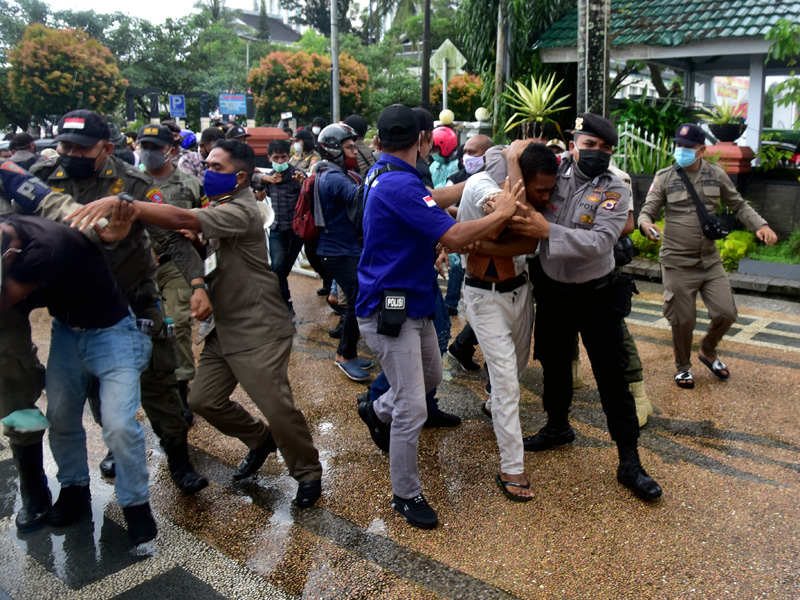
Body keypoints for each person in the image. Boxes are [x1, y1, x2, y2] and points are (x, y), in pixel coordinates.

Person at [68, 139, 324, 508]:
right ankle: (259, 439)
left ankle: (308, 472)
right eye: (207, 165)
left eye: (216, 168)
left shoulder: (243, 209)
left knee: (278, 407)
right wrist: (202, 250)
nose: (208, 173)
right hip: (224, 326)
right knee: (204, 400)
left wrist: (127, 204)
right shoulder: (222, 204)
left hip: (259, 327)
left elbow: (183, 217)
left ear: (239, 176)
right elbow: (215, 254)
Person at [355, 104, 523, 529]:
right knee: (413, 406)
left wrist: (476, 182)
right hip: (388, 307)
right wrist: (502, 212)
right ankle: (405, 493)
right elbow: (452, 233)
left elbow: (434, 201)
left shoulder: (386, 173)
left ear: (378, 143)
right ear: (425, 141)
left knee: (430, 379)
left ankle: (377, 411)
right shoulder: (400, 186)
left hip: (411, 300)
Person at [29, 110, 210, 497]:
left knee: (160, 384)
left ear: (106, 148)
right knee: (97, 389)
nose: (69, 153)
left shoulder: (132, 184)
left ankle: (179, 459)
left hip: (137, 303)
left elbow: (173, 237)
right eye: (64, 145)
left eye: (80, 147)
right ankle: (115, 447)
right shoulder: (45, 182)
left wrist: (197, 283)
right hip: (82, 309)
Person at [507, 114, 662, 502]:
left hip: (597, 295)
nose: (597, 154)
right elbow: (507, 167)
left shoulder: (616, 189)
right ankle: (558, 426)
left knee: (612, 377)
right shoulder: (551, 172)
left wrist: (547, 231)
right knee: (555, 365)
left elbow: (600, 242)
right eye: (590, 145)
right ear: (574, 143)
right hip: (554, 294)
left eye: (605, 149)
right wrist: (514, 155)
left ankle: (630, 460)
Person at [0, 213, 157, 545]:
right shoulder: (18, 231)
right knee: (60, 418)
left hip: (113, 333)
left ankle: (136, 504)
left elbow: (8, 296)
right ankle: (74, 489)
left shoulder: (47, 246)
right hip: (67, 332)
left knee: (118, 424)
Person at [638, 123, 778, 389]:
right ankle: (682, 367)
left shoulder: (716, 175)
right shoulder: (665, 176)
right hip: (677, 262)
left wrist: (760, 225)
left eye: (687, 147)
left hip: (710, 260)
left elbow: (738, 204)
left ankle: (708, 349)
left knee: (727, 312)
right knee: (683, 319)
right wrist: (646, 225)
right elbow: (648, 210)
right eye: (678, 145)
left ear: (701, 150)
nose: (681, 150)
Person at [458, 143, 558, 502]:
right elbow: (514, 216)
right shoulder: (482, 186)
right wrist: (515, 161)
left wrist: (483, 245)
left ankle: (493, 404)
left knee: (515, 370)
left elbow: (532, 242)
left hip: (520, 292)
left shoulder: (528, 191)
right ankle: (511, 468)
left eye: (550, 190)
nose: (547, 198)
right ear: (516, 177)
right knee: (507, 385)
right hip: (484, 297)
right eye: (541, 190)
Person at [138, 124, 204, 426]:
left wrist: (195, 234)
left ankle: (180, 388)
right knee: (145, 329)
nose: (148, 152)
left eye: (155, 146)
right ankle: (154, 387)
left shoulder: (190, 184)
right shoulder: (132, 184)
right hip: (140, 268)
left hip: (177, 264)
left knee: (177, 324)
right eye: (144, 146)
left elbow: (205, 220)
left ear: (172, 150)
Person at [315, 123, 372, 382]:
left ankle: (349, 351)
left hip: (345, 249)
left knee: (358, 297)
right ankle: (345, 355)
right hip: (336, 251)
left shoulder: (337, 172)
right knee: (357, 298)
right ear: (334, 150)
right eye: (350, 148)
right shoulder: (332, 177)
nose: (354, 152)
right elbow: (361, 198)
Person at [257, 139, 304, 313]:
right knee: (277, 266)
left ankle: (276, 299)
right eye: (275, 157)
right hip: (276, 229)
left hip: (296, 231)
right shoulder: (268, 178)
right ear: (269, 158)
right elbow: (260, 193)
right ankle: (285, 303)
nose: (279, 161)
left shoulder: (297, 175)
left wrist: (302, 185)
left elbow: (309, 197)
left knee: (284, 268)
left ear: (289, 157)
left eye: (283, 157)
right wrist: (260, 193)